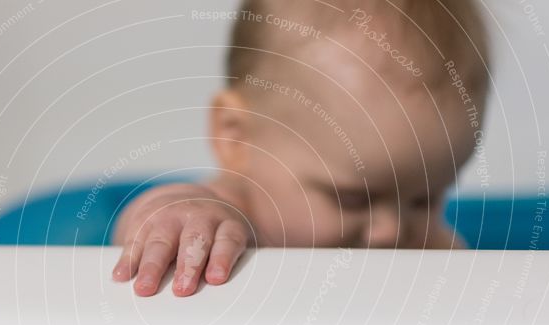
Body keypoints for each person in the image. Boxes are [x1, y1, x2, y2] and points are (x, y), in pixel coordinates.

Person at [112, 0, 490, 296]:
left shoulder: (427, 247)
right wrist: (183, 221)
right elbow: (156, 219)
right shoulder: (223, 214)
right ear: (235, 136)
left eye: (424, 199)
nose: (390, 232)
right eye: (352, 199)